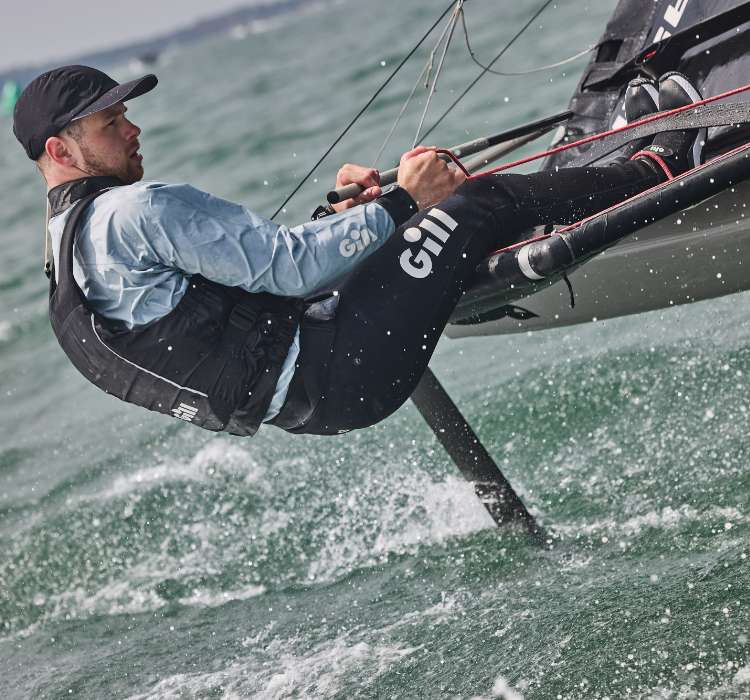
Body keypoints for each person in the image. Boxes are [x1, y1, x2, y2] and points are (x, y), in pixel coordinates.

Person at [13, 65, 704, 436]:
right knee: (476, 202)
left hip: (318, 397)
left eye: (126, 115)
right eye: (111, 123)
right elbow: (290, 270)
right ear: (60, 151)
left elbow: (241, 299)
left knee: (428, 221)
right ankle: (658, 167)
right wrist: (404, 202)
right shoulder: (135, 210)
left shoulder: (66, 251)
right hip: (341, 361)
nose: (133, 129)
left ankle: (604, 179)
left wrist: (349, 218)